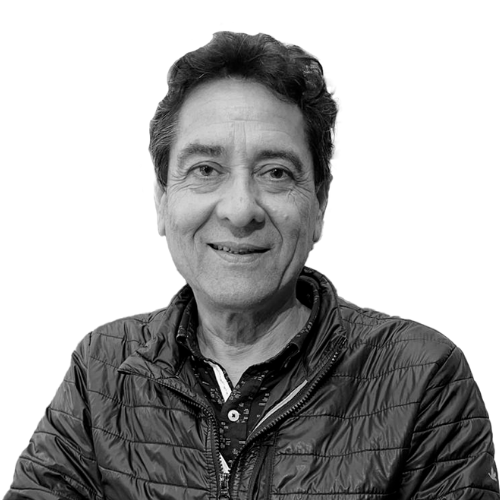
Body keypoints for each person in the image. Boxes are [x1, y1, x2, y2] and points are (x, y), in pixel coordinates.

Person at [4, 31, 499, 500]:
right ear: (162, 200)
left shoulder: (422, 375)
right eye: (205, 170)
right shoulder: (103, 369)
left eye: (276, 173)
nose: (240, 209)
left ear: (319, 203)